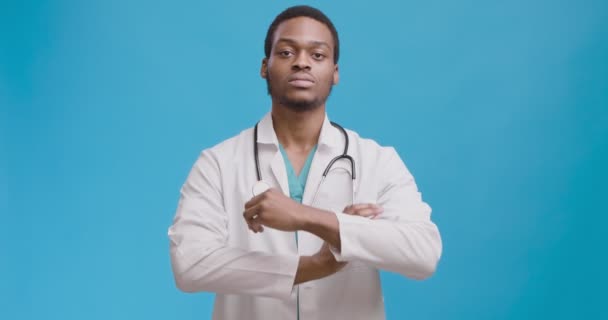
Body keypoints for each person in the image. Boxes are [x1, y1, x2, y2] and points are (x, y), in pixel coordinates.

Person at [168, 5, 442, 320]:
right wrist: (315, 266)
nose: (301, 62)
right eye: (286, 53)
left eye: (317, 55)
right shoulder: (218, 163)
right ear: (264, 66)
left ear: (335, 72)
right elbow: (189, 265)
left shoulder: (376, 161)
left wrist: (309, 218)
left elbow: (423, 253)